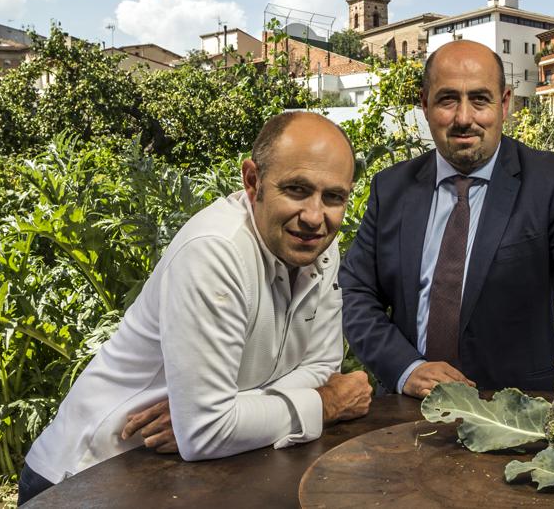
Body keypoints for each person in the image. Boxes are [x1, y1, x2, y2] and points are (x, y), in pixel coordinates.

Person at [19, 112, 372, 505]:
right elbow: (207, 432)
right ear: (252, 182)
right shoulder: (215, 251)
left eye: (334, 197)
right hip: (83, 479)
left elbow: (322, 368)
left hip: (171, 477)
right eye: (296, 189)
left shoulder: (321, 247)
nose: (314, 216)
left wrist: (230, 412)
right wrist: (323, 404)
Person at [340, 40, 554, 398]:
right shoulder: (391, 188)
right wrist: (405, 369)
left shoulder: (552, 183)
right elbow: (356, 292)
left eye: (480, 99)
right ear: (424, 104)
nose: (463, 118)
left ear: (504, 104)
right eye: (447, 100)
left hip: (516, 414)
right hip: (405, 410)